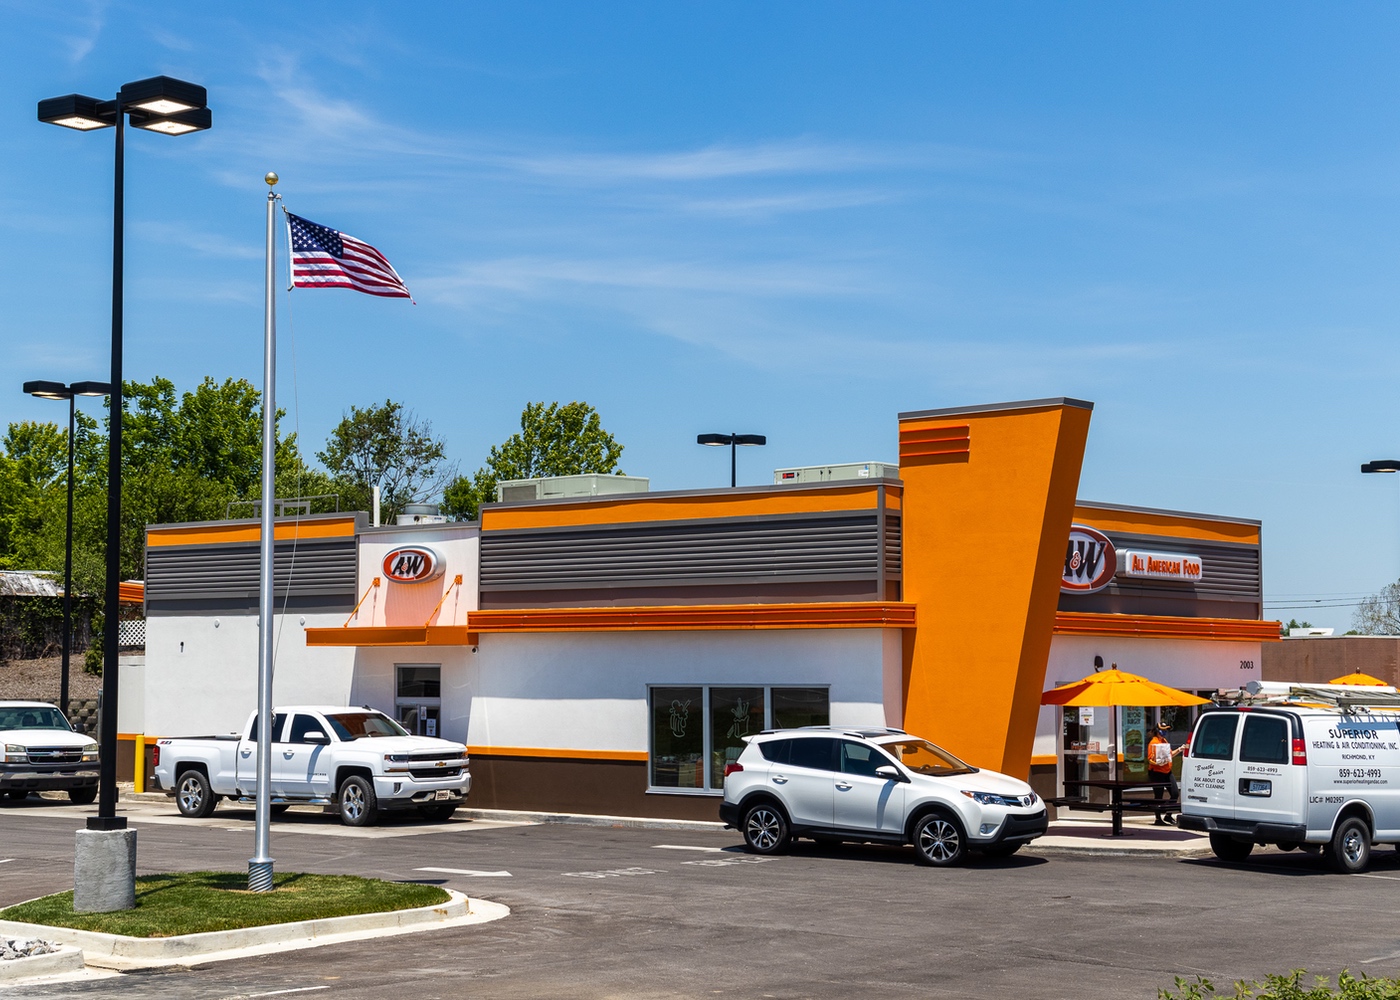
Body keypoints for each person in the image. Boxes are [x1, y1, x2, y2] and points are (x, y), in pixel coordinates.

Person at [1147, 721, 1183, 825]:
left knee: (1175, 793)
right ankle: (1158, 819)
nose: (1164, 732)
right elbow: (1150, 760)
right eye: (1162, 730)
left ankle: (1168, 815)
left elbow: (1169, 755)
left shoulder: (1164, 741)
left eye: (1166, 730)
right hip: (1156, 773)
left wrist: (1180, 749)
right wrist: (1158, 763)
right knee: (1158, 796)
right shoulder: (1153, 743)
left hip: (1167, 771)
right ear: (1157, 731)